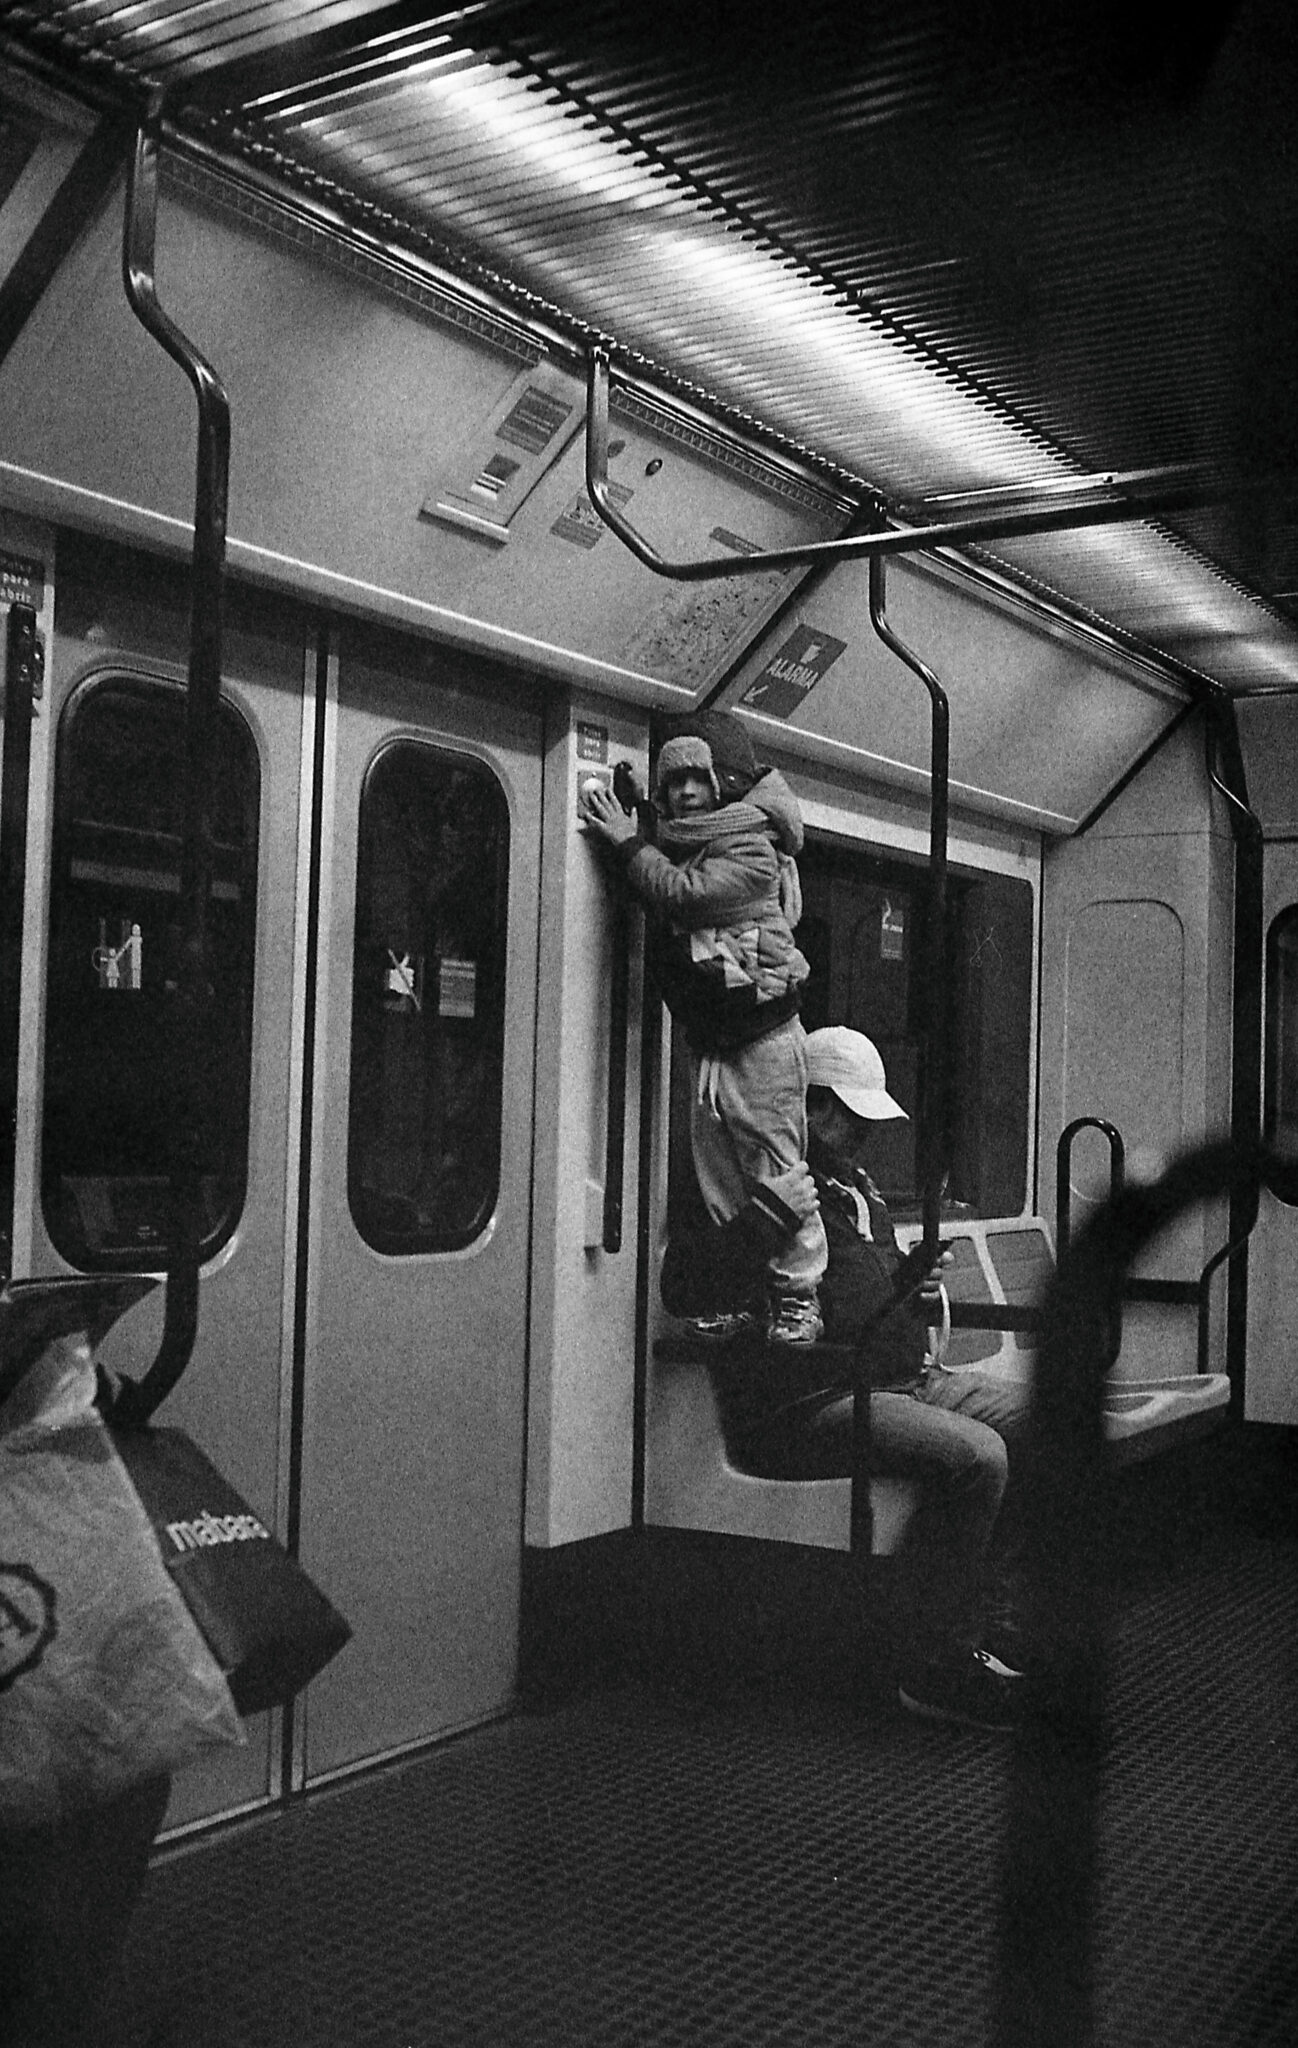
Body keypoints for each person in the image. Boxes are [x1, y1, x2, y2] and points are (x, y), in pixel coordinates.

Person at [661, 1025, 1034, 1727]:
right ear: (810, 1105)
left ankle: (990, 1625)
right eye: (850, 1115)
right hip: (812, 1398)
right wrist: (766, 1219)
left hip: (901, 1378)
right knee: (978, 1457)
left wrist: (910, 1284)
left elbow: (861, 1297)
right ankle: (932, 1661)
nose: (864, 1134)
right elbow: (688, 1284)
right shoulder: (756, 1180)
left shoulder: (858, 1191)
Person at [581, 714, 828, 1344]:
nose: (685, 792)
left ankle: (798, 1297)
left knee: (776, 1171)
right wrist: (638, 813)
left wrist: (627, 842)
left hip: (764, 1039)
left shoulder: (751, 846)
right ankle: (743, 1291)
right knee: (720, 1175)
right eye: (674, 782)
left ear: (727, 783)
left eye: (697, 778)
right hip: (716, 1040)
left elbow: (683, 894)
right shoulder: (693, 840)